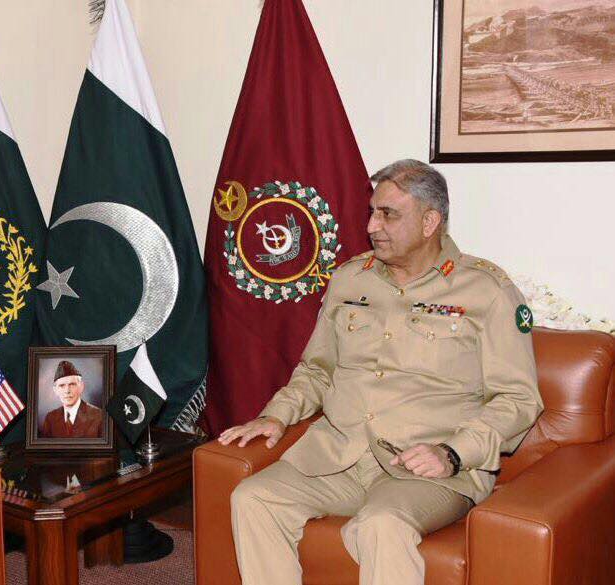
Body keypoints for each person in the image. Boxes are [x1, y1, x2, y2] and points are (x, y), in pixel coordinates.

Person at [218, 159, 543, 585]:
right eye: (372, 212)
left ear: (431, 221)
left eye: (388, 214)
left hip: (428, 469)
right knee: (254, 497)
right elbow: (318, 369)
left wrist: (455, 452)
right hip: (342, 454)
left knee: (380, 524)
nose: (372, 226)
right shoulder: (352, 279)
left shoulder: (487, 291)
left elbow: (519, 399)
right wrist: (278, 414)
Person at [40, 360, 103, 438]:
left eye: (72, 384)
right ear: (55, 390)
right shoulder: (50, 418)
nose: (67, 391)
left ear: (81, 387)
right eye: (62, 385)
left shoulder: (99, 416)